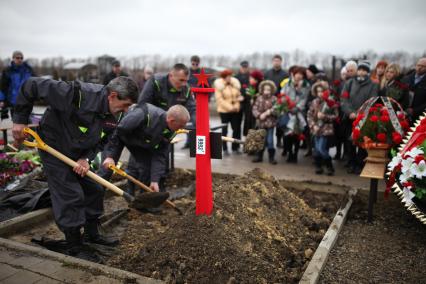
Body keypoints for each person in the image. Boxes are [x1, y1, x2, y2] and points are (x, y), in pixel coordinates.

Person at [11, 76, 138, 255]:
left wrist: (86, 158)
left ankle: (91, 234)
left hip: (78, 154)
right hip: (52, 148)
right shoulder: (78, 93)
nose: (125, 110)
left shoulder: (114, 114)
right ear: (112, 96)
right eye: (124, 105)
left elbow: (104, 139)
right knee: (70, 193)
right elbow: (31, 85)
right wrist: (19, 120)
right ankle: (74, 245)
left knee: (94, 189)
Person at [102, 104, 190, 194]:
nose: (181, 129)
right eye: (180, 126)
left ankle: (142, 202)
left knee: (148, 169)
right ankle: (94, 204)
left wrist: (154, 180)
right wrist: (110, 156)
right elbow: (118, 132)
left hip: (139, 143)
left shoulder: (171, 131)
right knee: (106, 169)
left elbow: (160, 155)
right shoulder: (144, 114)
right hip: (120, 136)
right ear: (171, 120)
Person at [341, 61, 379, 174]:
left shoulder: (373, 85)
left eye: (364, 70)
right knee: (350, 143)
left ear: (367, 72)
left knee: (362, 143)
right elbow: (344, 99)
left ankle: (359, 164)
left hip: (364, 118)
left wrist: (361, 113)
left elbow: (372, 100)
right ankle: (351, 163)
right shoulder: (350, 83)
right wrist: (350, 112)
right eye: (360, 69)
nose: (362, 72)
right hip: (350, 118)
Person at [279, 66, 310, 163]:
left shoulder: (306, 85)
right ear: (293, 74)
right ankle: (289, 153)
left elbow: (304, 98)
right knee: (288, 135)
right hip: (288, 112)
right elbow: (282, 94)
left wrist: (297, 108)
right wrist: (287, 106)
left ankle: (295, 154)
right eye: (297, 74)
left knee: (297, 135)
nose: (299, 76)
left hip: (298, 113)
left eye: (301, 74)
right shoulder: (288, 83)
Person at [308, 82, 338, 175]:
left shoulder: (330, 102)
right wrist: (313, 125)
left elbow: (335, 116)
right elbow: (309, 115)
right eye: (318, 92)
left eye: (322, 91)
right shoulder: (314, 102)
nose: (320, 93)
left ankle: (330, 167)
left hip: (325, 129)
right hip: (316, 129)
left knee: (321, 148)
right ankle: (318, 166)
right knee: (316, 149)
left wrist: (324, 116)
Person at [214, 69, 244, 154]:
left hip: (235, 110)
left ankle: (236, 147)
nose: (229, 78)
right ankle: (225, 148)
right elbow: (219, 100)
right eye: (227, 77)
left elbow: (238, 97)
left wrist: (236, 106)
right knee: (225, 130)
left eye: (230, 76)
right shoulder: (219, 86)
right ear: (223, 78)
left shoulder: (235, 84)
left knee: (236, 129)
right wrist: (230, 107)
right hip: (224, 111)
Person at [0, 51, 36, 120]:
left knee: (30, 125)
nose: (20, 59)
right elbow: (2, 87)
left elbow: (35, 83)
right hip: (13, 103)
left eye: (21, 58)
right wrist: (1, 100)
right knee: (17, 125)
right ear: (13, 58)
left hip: (27, 102)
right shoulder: (8, 71)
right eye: (17, 58)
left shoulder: (29, 70)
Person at [264, 54, 289, 148]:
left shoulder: (285, 74)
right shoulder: (267, 73)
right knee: (268, 121)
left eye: (278, 61)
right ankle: (266, 140)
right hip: (268, 100)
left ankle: (279, 140)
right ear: (272, 62)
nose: (276, 62)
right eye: (275, 61)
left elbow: (287, 88)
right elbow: (264, 86)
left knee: (279, 123)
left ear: (281, 62)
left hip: (279, 101)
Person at [251, 80, 278, 164]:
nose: (266, 91)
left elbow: (277, 109)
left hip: (270, 123)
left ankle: (271, 157)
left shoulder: (274, 99)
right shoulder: (259, 98)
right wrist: (259, 115)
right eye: (265, 89)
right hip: (261, 123)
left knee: (270, 141)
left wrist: (269, 112)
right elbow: (254, 109)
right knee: (260, 140)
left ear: (272, 90)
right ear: (262, 90)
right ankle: (259, 156)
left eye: (269, 90)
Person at [243, 70, 264, 136]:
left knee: (255, 129)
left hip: (256, 113)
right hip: (248, 112)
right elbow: (246, 98)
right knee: (248, 129)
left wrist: (254, 98)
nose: (249, 79)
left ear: (256, 80)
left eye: (251, 78)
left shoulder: (261, 89)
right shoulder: (250, 87)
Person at [405, 58, 426, 123]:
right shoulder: (407, 78)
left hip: (419, 117)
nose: (419, 68)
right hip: (403, 113)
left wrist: (415, 110)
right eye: (418, 65)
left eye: (423, 66)